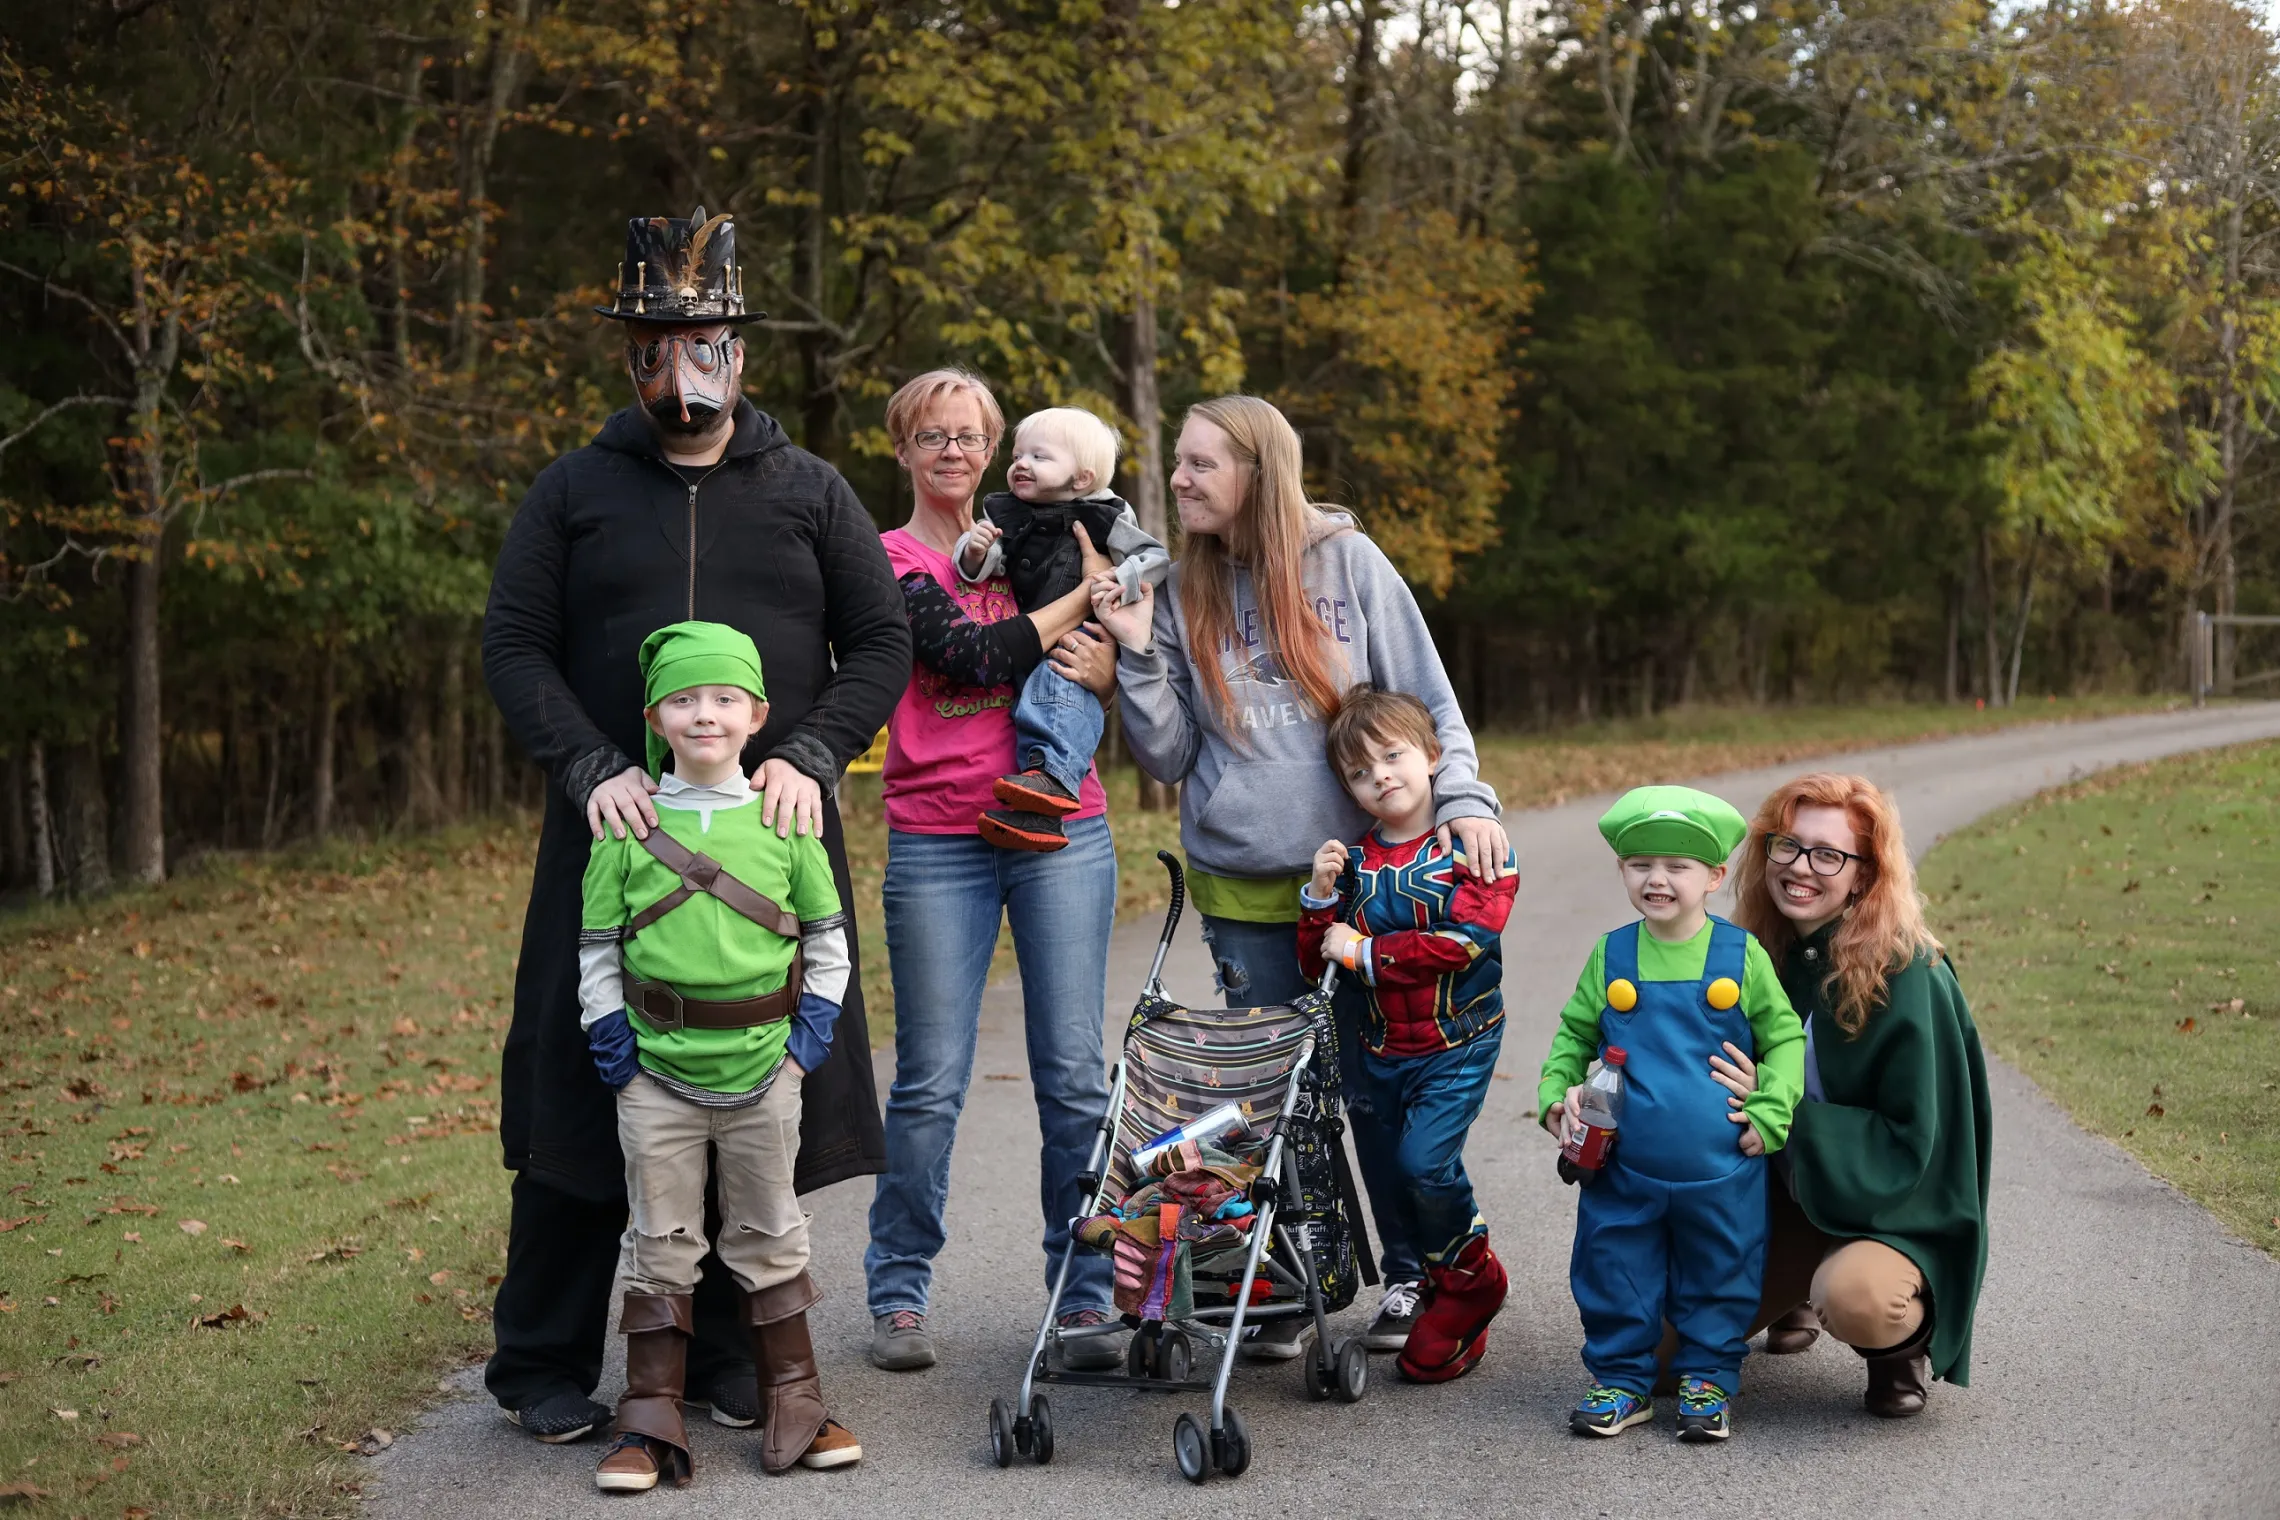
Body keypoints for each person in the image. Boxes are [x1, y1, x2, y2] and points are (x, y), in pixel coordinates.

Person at [481, 208, 909, 1441]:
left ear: (739, 346)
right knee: (581, 1087)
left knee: (755, 1088)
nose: (683, 363)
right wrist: (589, 762)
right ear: (631, 352)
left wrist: (817, 752)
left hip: (768, 841)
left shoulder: (811, 490)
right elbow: (514, 645)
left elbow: (880, 641)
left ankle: (730, 1355)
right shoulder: (575, 489)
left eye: (705, 336)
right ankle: (543, 1360)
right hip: (612, 827)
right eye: (658, 339)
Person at [1091, 393, 1511, 1360]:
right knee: (1285, 1099)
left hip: (1370, 880)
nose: (1180, 480)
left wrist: (1466, 805)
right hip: (1244, 881)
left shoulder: (1348, 564)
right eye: (1179, 463)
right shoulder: (1182, 585)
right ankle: (1293, 1286)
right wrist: (1137, 653)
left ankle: (1414, 1273)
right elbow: (1165, 756)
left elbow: (1429, 702)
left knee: (1378, 1091)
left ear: (1257, 474)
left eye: (1200, 464)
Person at [861, 369, 1127, 1375]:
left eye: (971, 435)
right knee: (929, 1079)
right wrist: (1072, 609)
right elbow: (968, 655)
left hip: (1063, 828)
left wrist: (1112, 658)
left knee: (1071, 1074)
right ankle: (897, 1292)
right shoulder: (886, 557)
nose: (955, 452)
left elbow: (1128, 625)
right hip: (938, 833)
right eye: (933, 435)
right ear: (903, 449)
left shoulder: (1044, 528)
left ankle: (1085, 1294)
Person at [580, 623, 860, 1489]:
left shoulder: (787, 818)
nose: (706, 715)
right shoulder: (627, 827)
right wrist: (616, 1053)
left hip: (766, 1071)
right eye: (686, 699)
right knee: (660, 1241)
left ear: (757, 715)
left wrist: (804, 1046)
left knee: (772, 1236)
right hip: (655, 1078)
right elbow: (597, 948)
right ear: (656, 716)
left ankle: (798, 1402)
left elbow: (828, 942)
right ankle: (649, 1421)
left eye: (724, 698)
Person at [1715, 771, 1993, 1418]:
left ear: (1864, 875)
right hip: (1783, 1195)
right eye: (1788, 845)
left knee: (1858, 1296)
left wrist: (1779, 1106)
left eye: (1828, 854)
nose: (1800, 867)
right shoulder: (1760, 952)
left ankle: (1899, 1351)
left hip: (1892, 1211)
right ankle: (1785, 1297)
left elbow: (1909, 1147)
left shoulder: (1909, 973)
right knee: (1663, 1360)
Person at [1538, 786, 1804, 1442]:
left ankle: (1710, 1382)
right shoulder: (1612, 955)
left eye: (1677, 867)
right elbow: (1574, 1035)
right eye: (1641, 866)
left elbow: (1785, 1041)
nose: (1657, 880)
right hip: (1623, 1166)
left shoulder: (1739, 956)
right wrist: (1554, 1094)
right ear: (1623, 872)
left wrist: (1770, 1112)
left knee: (1722, 1269)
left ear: (1714, 877)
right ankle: (1622, 1383)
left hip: (1721, 1169)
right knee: (1612, 1268)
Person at [1294, 687, 1517, 1383]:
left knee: (1425, 1163)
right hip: (1383, 1047)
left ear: (1432, 756)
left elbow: (1467, 940)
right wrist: (1320, 899)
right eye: (1361, 772)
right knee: (1389, 1172)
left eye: (1393, 757)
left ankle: (1472, 1276)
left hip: (1459, 1041)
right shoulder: (1356, 862)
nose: (1381, 776)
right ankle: (1433, 1291)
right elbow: (1317, 966)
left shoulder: (1473, 847)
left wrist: (1361, 951)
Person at [950, 406, 1168, 851]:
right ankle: (1039, 814)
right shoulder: (1005, 514)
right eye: (1017, 455)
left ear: (1083, 478)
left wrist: (1120, 578)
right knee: (1033, 704)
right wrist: (973, 552)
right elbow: (981, 568)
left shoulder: (1105, 516)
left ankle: (1054, 779)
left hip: (1079, 636)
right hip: (1026, 631)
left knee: (1060, 686)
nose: (1021, 464)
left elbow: (1154, 559)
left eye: (1040, 457)